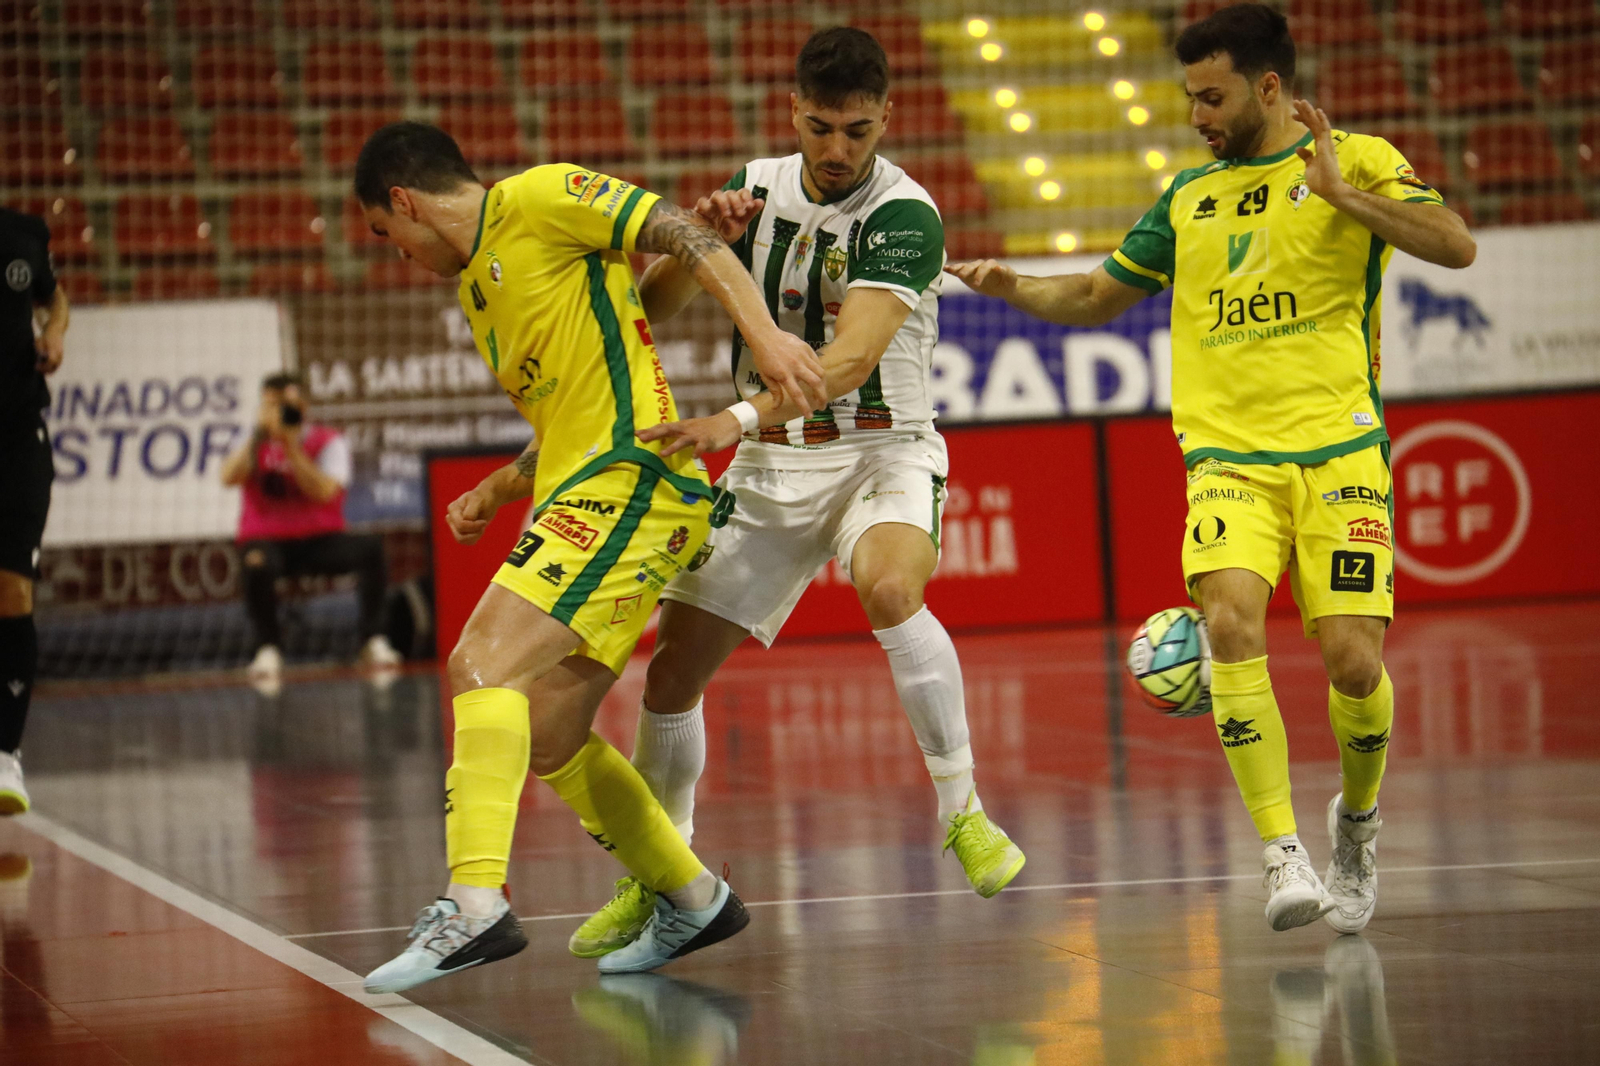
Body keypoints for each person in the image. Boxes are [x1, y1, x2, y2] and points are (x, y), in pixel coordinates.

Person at [948, 3, 1475, 934]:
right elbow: (1096, 294)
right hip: (1228, 459)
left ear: (1268, 88)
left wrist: (1346, 198)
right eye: (1190, 96)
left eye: (1211, 96)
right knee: (1230, 621)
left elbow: (1456, 246)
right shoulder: (1188, 200)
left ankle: (1356, 822)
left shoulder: (1359, 159)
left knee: (1354, 665)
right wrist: (1015, 288)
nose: (1196, 115)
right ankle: (1281, 854)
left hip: (1343, 451)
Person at [566, 27, 1027, 961]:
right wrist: (699, 248)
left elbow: (849, 360)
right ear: (792, 112)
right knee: (669, 677)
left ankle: (963, 811)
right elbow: (646, 314)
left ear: (885, 118)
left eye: (857, 130)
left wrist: (729, 422)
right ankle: (668, 879)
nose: (837, 150)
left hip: (880, 451)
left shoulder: (907, 215)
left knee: (891, 588)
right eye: (820, 127)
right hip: (775, 467)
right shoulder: (756, 186)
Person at [351, 122, 827, 991]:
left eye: (388, 236)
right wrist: (504, 484)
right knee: (552, 730)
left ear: (404, 202)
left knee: (478, 665)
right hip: (587, 485)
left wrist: (764, 339)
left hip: (631, 479)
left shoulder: (538, 197)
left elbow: (679, 231)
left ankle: (474, 903)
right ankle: (692, 895)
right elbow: (583, 384)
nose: (399, 254)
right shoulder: (479, 294)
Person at [220, 372, 402, 684]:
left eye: (287, 404)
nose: (280, 411)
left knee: (370, 549)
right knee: (254, 562)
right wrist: (259, 438)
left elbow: (323, 491)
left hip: (319, 540)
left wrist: (291, 447)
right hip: (267, 541)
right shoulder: (250, 441)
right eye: (272, 405)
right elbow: (228, 477)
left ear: (303, 406)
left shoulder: (328, 441)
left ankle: (374, 640)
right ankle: (267, 647)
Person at [0, 205, 69, 816]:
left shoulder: (21, 235)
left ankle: (5, 755)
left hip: (19, 438)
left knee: (14, 593)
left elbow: (56, 297)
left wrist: (54, 332)